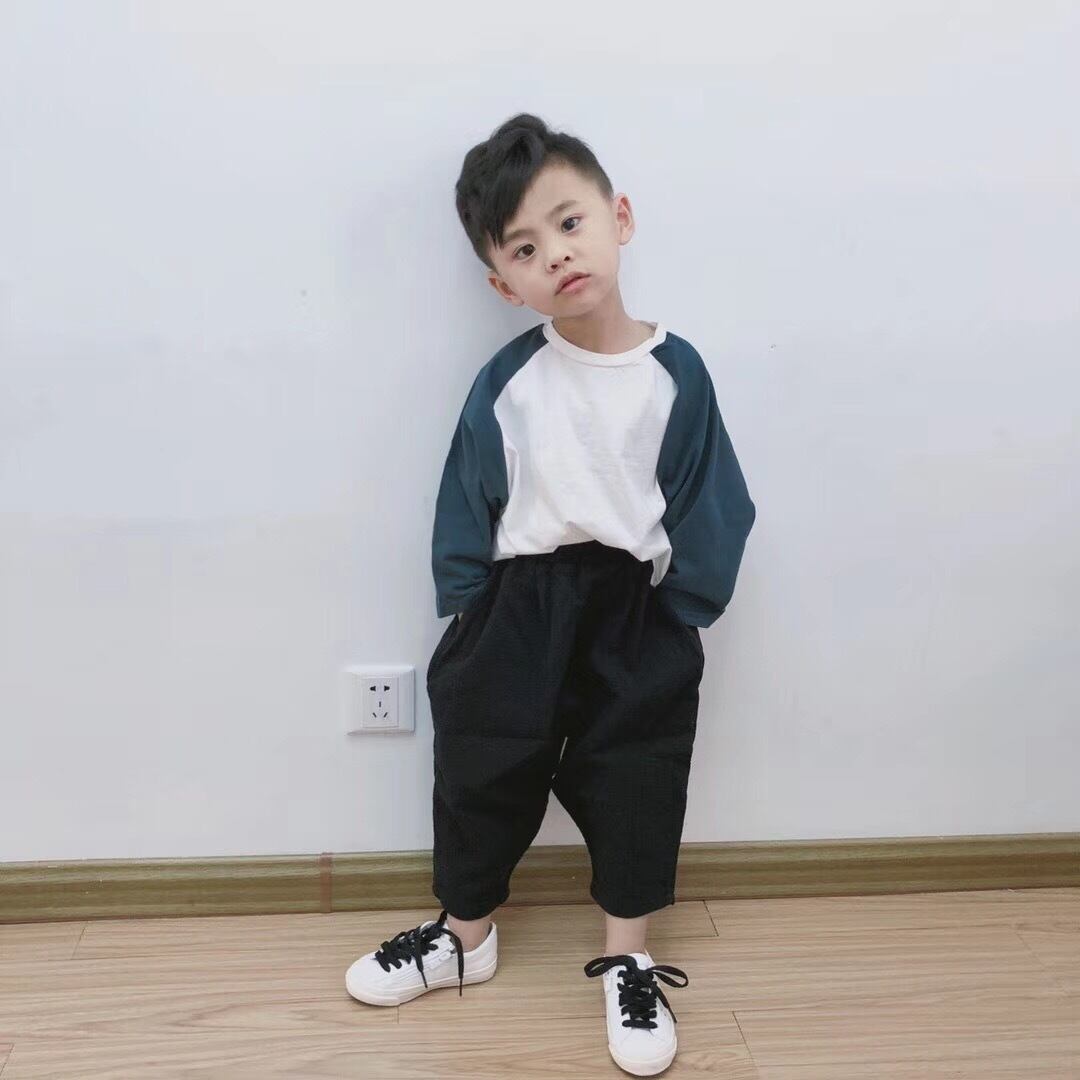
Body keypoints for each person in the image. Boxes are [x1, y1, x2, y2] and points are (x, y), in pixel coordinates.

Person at [346, 112, 756, 1077]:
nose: (557, 255)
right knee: (481, 766)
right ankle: (464, 936)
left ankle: (628, 959)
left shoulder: (676, 375)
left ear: (620, 217)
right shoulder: (511, 380)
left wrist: (683, 611)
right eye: (525, 249)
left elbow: (715, 499)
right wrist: (470, 608)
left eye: (570, 224)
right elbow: (465, 494)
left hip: (634, 607)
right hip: (517, 603)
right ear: (503, 283)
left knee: (639, 769)